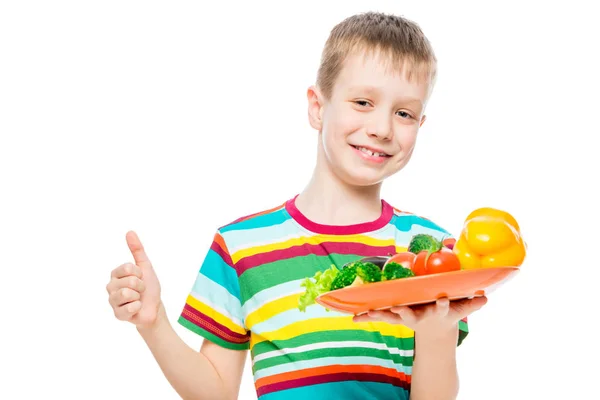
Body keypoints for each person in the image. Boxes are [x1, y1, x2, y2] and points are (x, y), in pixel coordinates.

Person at [106, 11, 488, 400]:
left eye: (403, 113)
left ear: (420, 125)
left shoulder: (430, 252)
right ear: (317, 107)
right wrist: (152, 325)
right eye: (362, 102)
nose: (382, 128)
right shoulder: (240, 246)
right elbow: (216, 391)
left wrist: (437, 329)